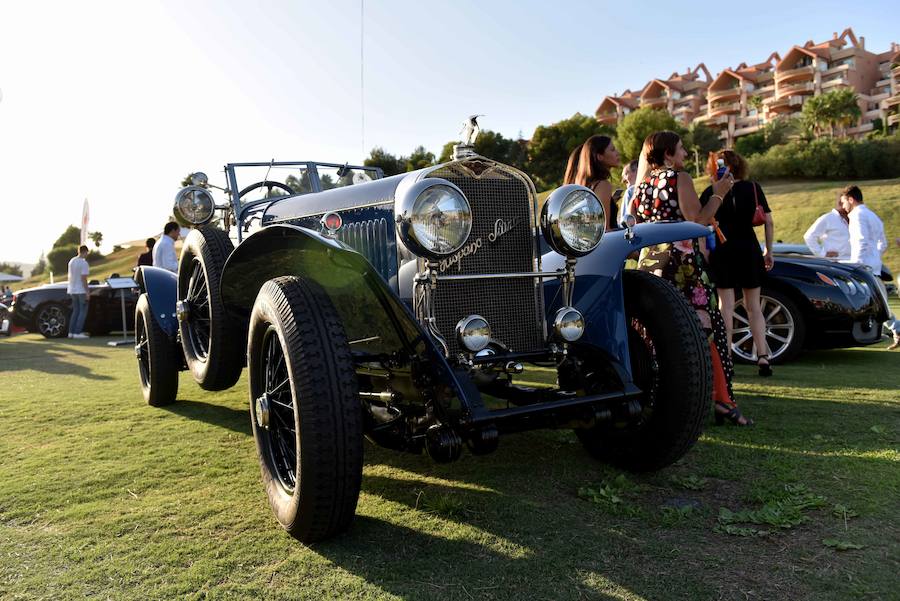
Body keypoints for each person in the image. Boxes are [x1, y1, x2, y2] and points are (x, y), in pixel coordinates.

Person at [631, 131, 753, 426]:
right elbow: (695, 221)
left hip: (649, 263)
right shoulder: (678, 178)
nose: (685, 154)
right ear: (668, 154)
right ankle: (722, 401)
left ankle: (657, 396)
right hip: (680, 263)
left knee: (655, 331)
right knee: (702, 328)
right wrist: (719, 192)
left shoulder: (642, 186)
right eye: (682, 149)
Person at [700, 150, 775, 377]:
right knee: (754, 307)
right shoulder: (753, 188)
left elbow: (702, 225)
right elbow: (768, 221)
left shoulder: (710, 192)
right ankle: (762, 356)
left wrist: (704, 254)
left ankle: (727, 358)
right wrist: (768, 251)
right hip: (749, 249)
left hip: (722, 250)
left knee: (727, 307)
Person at [839, 185, 899, 349]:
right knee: (879, 305)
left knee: (863, 305)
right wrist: (874, 257)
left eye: (844, 202)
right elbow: (883, 243)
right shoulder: (873, 215)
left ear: (851, 199)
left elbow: (861, 242)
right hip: (874, 266)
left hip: (863, 268)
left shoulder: (857, 216)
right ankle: (897, 330)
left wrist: (857, 266)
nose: (843, 207)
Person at [565, 135, 621, 231]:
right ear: (599, 156)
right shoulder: (603, 185)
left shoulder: (583, 184)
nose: (617, 153)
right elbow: (605, 229)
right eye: (612, 150)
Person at [67, 245, 91, 339]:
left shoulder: (72, 261)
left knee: (75, 311)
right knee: (82, 312)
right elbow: (84, 278)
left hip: (72, 289)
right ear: (84, 252)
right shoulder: (84, 263)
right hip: (80, 290)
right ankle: (77, 332)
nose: (87, 255)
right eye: (87, 253)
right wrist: (87, 292)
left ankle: (71, 332)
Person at [618, 159, 639, 225]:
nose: (623, 180)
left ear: (637, 171)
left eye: (626, 173)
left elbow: (624, 223)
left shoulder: (630, 191)